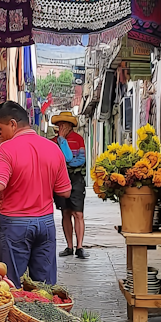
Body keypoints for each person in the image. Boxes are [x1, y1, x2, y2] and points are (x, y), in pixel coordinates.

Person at [0, 101, 71, 286]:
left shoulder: (6, 149)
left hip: (15, 223)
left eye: (0, 128)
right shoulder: (53, 148)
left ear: (13, 124)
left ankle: (17, 315)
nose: (0, 135)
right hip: (45, 222)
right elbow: (65, 191)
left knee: (12, 284)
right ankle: (44, 315)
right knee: (45, 286)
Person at [51, 111, 88, 260]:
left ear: (70, 125)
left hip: (76, 179)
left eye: (64, 124)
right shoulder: (53, 141)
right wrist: (61, 140)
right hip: (60, 180)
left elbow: (79, 159)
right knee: (65, 213)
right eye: (60, 124)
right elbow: (57, 160)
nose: (62, 126)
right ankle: (69, 246)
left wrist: (67, 163)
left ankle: (80, 246)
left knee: (78, 214)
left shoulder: (78, 139)